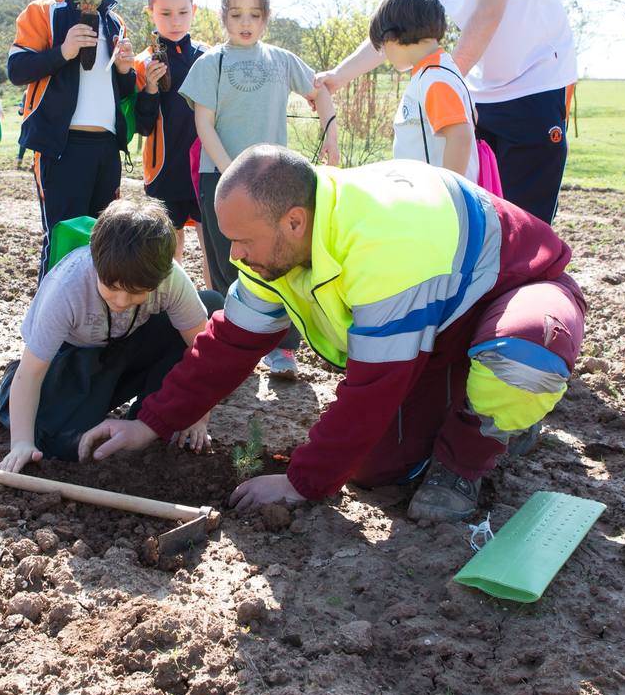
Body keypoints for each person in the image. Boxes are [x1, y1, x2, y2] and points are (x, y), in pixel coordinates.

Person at [78, 145, 586, 523]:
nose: (233, 257)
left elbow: (375, 386)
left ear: (294, 222)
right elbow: (229, 344)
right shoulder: (272, 248)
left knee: (520, 358)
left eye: (242, 241)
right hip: (435, 339)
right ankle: (470, 411)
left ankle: (476, 451)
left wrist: (302, 482)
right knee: (372, 470)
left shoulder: (387, 246)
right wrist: (150, 422)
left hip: (514, 297)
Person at [317, 0, 576, 225]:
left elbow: (488, 13)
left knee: (526, 222)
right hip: (477, 96)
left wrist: (445, 80)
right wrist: (338, 76)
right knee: (484, 219)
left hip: (535, 85)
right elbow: (396, 30)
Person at [178, 0, 338, 378]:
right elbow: (204, 124)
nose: (245, 23)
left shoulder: (282, 61)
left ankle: (283, 349)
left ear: (266, 18)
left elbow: (319, 90)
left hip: (275, 183)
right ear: (223, 18)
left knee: (281, 261)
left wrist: (331, 134)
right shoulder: (209, 63)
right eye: (236, 15)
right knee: (230, 263)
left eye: (254, 15)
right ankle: (236, 347)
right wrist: (234, 173)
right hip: (220, 177)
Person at [0, 199, 223, 473]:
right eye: (112, 287)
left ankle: (149, 419)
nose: (122, 300)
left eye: (137, 292)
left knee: (210, 304)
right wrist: (21, 443)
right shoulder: (67, 287)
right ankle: (6, 389)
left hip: (131, 345)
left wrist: (196, 415)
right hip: (79, 356)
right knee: (61, 440)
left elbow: (202, 354)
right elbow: (31, 373)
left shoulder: (170, 279)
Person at [7, 0, 136, 279]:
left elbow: (120, 91)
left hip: (106, 148)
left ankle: (91, 321)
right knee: (63, 235)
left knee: (103, 238)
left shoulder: (115, 22)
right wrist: (63, 51)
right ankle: (52, 326)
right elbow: (17, 68)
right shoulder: (43, 11)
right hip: (62, 147)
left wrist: (126, 71)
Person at [369, 0, 480, 182]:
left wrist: (450, 195)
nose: (385, 55)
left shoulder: (434, 78)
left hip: (438, 203)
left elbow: (460, 137)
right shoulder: (442, 70)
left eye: (382, 48)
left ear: (392, 37)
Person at [134, 0, 208, 267]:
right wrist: (150, 89)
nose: (175, 21)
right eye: (165, 13)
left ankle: (215, 310)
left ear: (195, 11)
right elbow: (141, 126)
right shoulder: (144, 62)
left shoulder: (209, 58)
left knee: (212, 249)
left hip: (205, 169)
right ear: (151, 12)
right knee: (167, 255)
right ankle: (170, 311)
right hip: (163, 172)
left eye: (183, 12)